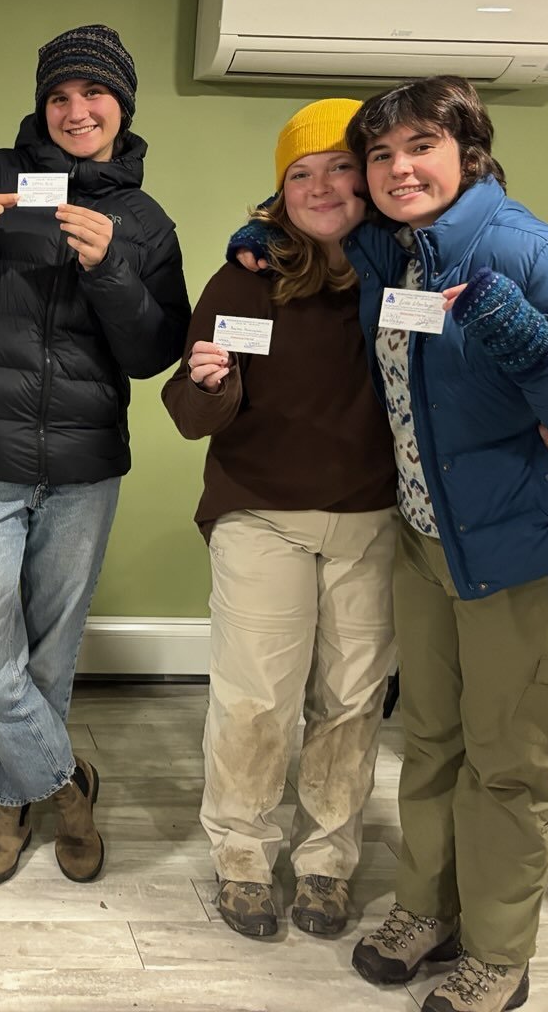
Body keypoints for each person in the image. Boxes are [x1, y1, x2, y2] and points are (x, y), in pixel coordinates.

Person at [232, 76, 548, 1011]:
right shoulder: (394, 251)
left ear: (471, 153)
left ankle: (500, 951)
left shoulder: (533, 253)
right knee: (429, 743)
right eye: (381, 155)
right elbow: (315, 219)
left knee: (508, 763)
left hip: (524, 549)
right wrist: (257, 237)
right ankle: (427, 906)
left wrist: (533, 342)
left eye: (420, 146)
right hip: (427, 540)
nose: (395, 168)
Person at [0, 24, 190, 889]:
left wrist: (111, 275)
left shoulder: (143, 220)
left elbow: (153, 352)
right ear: (41, 104)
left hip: (86, 466)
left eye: (93, 96)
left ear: (122, 106)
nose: (75, 111)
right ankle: (66, 785)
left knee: (49, 657)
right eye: (59, 96)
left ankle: (7, 805)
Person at [164, 99, 398, 941]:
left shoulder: (403, 275)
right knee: (258, 699)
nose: (322, 186)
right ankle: (243, 855)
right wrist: (212, 382)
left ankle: (329, 861)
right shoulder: (246, 276)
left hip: (373, 518)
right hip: (260, 514)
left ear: (371, 177)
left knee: (351, 699)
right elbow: (193, 413)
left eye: (340, 166)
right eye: (301, 173)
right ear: (280, 190)